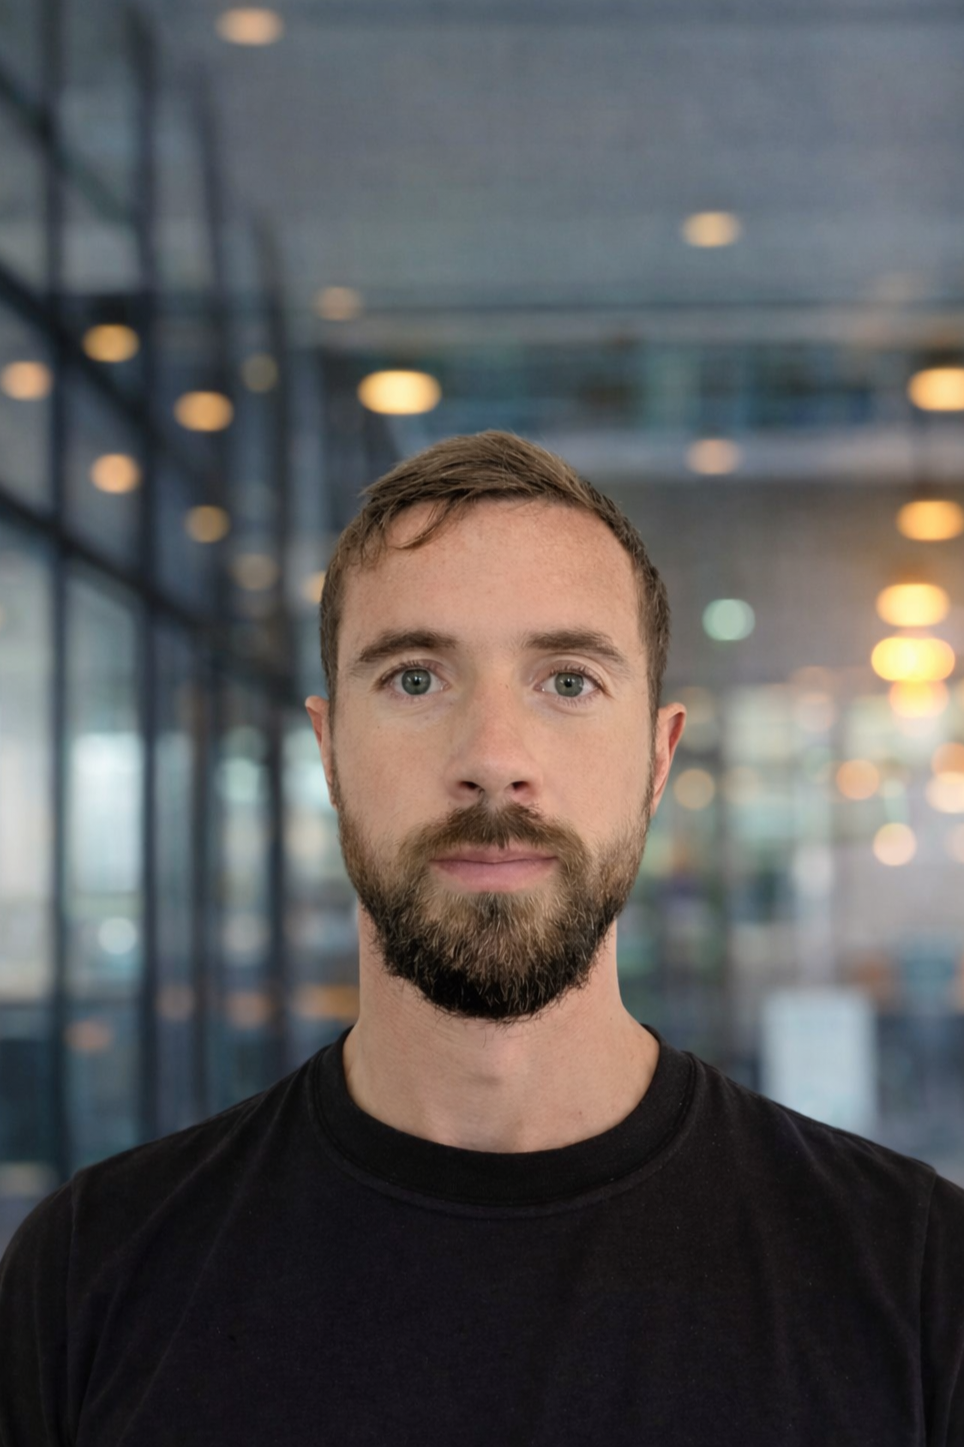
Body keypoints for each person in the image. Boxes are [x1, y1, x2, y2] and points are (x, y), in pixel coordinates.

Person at [0, 430, 961, 1446]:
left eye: (567, 680)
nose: (494, 759)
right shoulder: (93, 1270)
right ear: (330, 755)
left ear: (657, 755)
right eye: (416, 678)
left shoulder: (915, 1275)